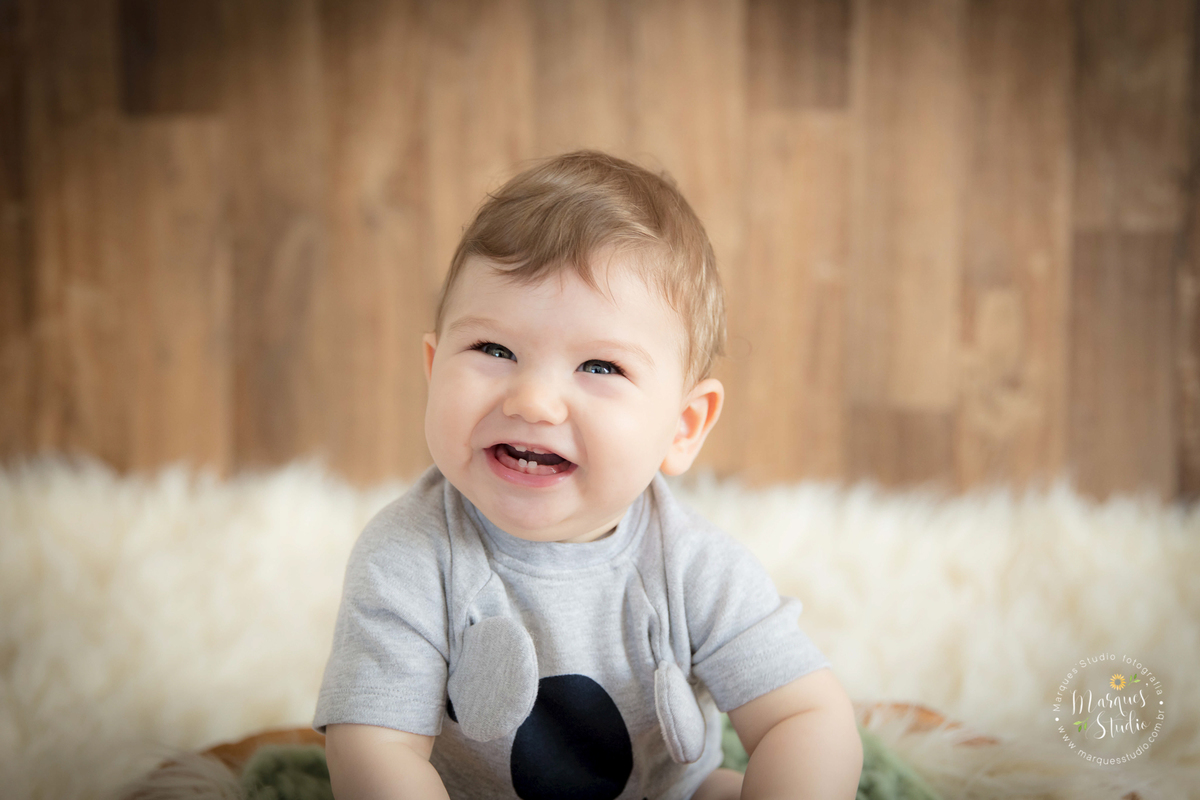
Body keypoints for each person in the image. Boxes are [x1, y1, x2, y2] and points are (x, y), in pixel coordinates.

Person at [314, 150, 863, 800]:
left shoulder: (694, 567)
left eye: (600, 367)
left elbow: (805, 716)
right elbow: (374, 749)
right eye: (493, 350)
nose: (532, 401)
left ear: (683, 426)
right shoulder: (409, 556)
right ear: (433, 371)